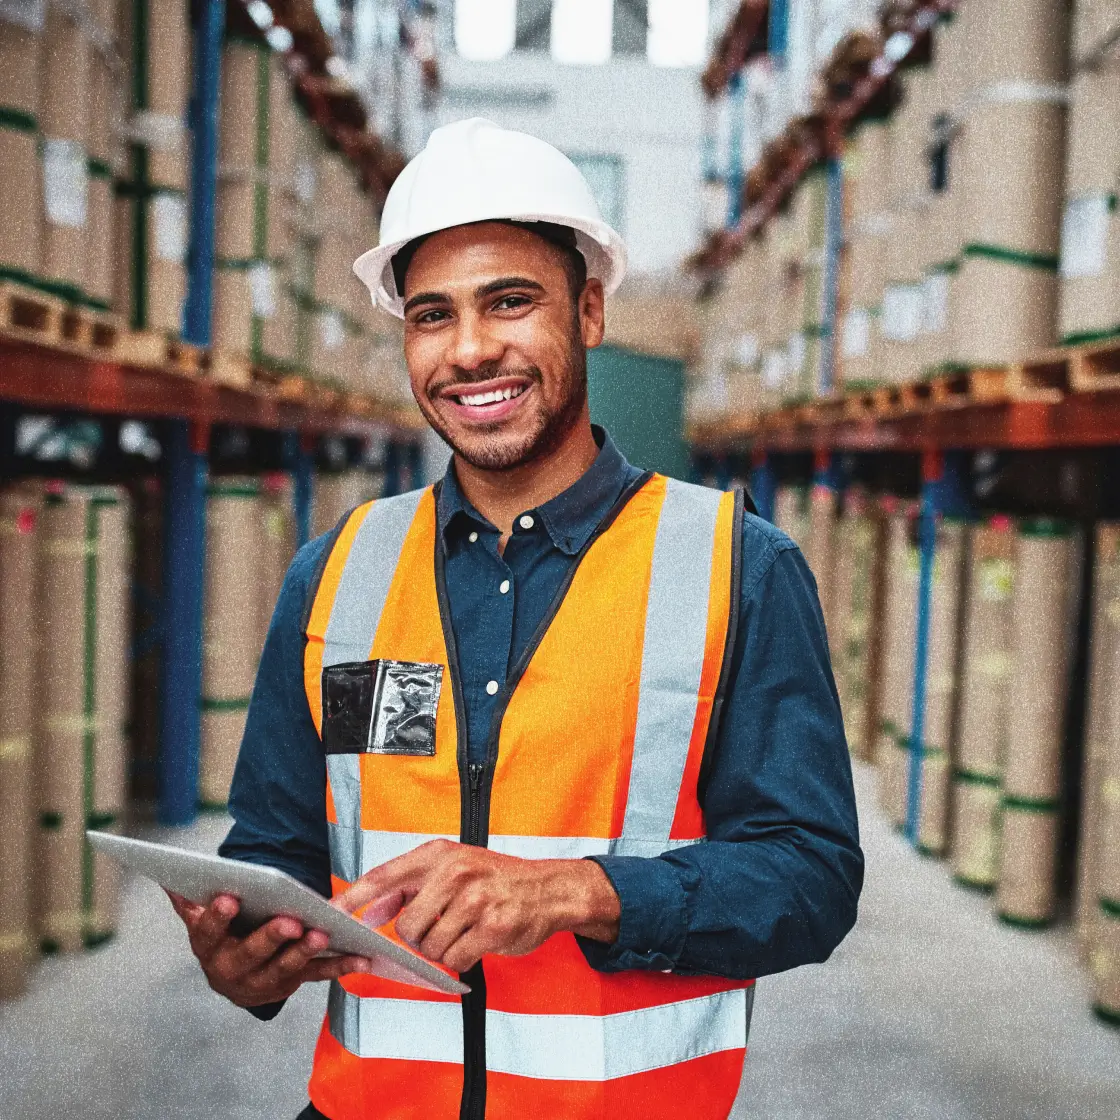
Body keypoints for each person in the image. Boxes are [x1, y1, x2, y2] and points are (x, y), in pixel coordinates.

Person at [169, 118, 863, 1120]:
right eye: (430, 315)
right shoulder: (337, 572)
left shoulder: (735, 566)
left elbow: (809, 880)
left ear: (587, 310)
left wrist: (572, 891)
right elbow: (274, 844)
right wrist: (248, 955)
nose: (470, 351)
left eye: (509, 302)